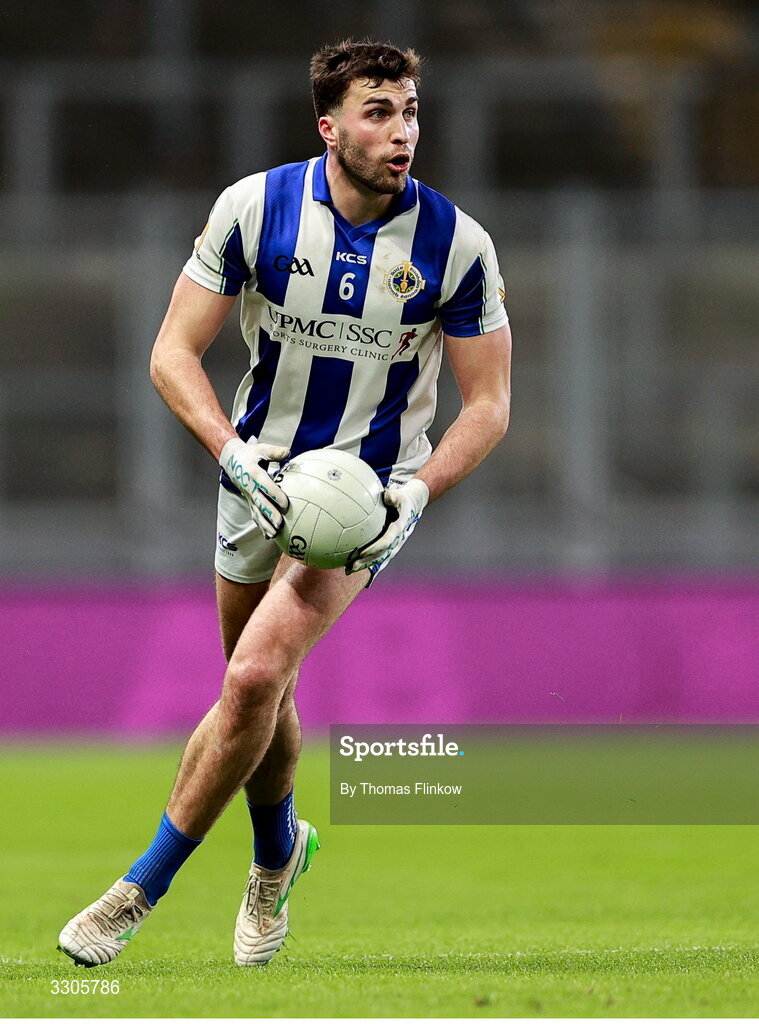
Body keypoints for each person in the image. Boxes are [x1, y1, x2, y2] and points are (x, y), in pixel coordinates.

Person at [58, 39, 511, 968]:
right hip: (258, 482)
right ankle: (278, 856)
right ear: (330, 124)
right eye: (378, 111)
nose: (400, 131)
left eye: (411, 111)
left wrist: (415, 495)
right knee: (258, 695)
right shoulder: (254, 208)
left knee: (256, 677)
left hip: (361, 502)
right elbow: (170, 354)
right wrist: (231, 456)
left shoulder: (454, 244)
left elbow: (492, 404)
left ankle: (136, 890)